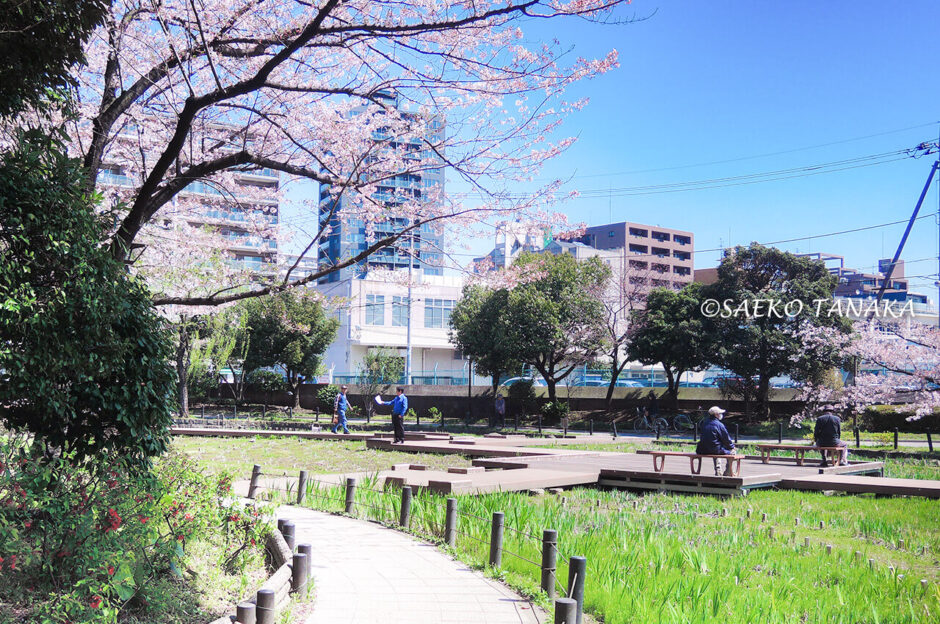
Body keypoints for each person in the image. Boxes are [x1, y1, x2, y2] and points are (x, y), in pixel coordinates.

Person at [696, 406, 736, 476]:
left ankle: (718, 470)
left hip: (701, 449)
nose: (721, 414)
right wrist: (732, 447)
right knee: (732, 452)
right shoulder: (719, 425)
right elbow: (726, 439)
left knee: (716, 446)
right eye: (720, 413)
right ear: (716, 414)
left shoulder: (704, 423)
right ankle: (728, 472)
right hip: (714, 450)